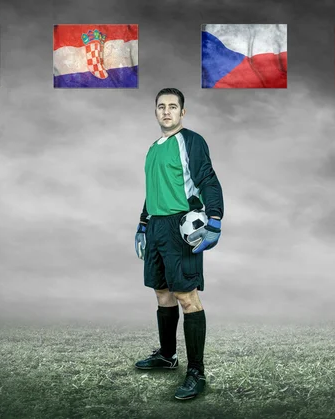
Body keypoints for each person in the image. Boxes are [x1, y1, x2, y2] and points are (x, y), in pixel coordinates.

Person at [134, 87, 224, 400]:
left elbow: (207, 179)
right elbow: (153, 189)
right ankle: (167, 356)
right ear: (155, 111)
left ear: (182, 112)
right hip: (157, 225)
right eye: (161, 106)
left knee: (187, 296)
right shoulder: (153, 148)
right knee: (162, 292)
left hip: (180, 226)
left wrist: (215, 218)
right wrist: (143, 223)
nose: (167, 111)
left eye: (173, 107)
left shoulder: (191, 141)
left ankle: (196, 372)